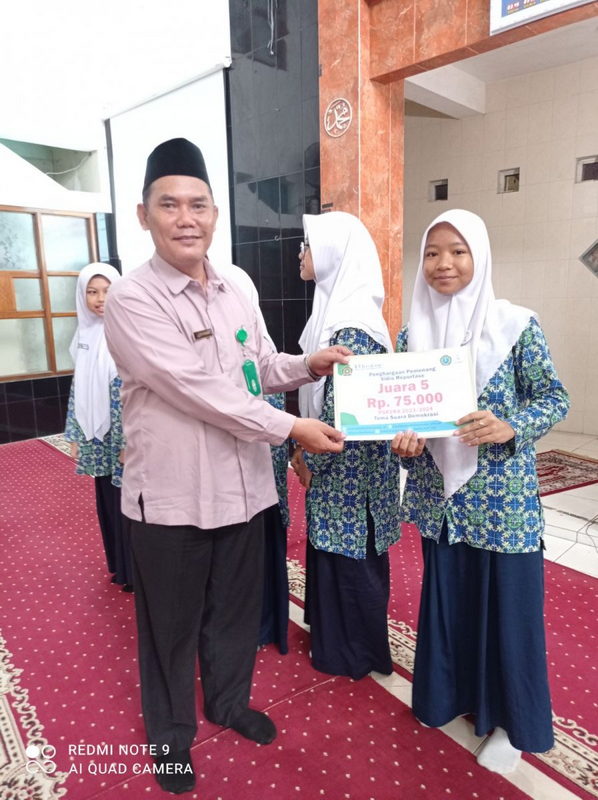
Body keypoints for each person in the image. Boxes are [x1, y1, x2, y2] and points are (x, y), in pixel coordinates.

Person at [103, 138, 350, 795]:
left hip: (243, 491)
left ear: (216, 213)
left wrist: (308, 365)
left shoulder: (236, 286)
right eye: (170, 205)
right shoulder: (132, 299)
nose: (186, 218)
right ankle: (170, 742)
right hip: (172, 501)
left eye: (199, 205)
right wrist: (292, 427)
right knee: (170, 631)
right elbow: (199, 391)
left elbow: (257, 367)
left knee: (235, 615)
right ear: (144, 215)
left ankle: (229, 702)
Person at [391, 209, 569, 774]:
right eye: (432, 253)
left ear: (480, 256)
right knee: (452, 601)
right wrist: (404, 441)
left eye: (458, 251)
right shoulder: (412, 334)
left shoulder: (516, 325)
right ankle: (448, 696)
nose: (443, 264)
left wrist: (510, 425)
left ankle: (512, 726)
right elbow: (402, 413)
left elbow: (554, 398)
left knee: (509, 614)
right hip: (441, 500)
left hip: (501, 501)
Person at [291, 211, 401, 680]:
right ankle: (340, 642)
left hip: (349, 472)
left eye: (307, 245)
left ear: (334, 253)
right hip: (344, 469)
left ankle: (352, 652)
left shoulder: (350, 328)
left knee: (352, 556)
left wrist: (306, 456)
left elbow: (343, 417)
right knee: (342, 553)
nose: (300, 254)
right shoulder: (336, 316)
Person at [220, 262, 290, 654]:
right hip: (224, 493)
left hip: (264, 489)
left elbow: (271, 373)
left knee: (264, 545)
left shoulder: (260, 350)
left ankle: (266, 623)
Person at [64, 262, 132, 591]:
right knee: (106, 498)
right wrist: (76, 434)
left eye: (107, 291)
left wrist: (128, 441)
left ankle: (135, 572)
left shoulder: (128, 331)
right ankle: (119, 565)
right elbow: (78, 389)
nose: (100, 298)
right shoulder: (84, 335)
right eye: (92, 292)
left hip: (122, 433)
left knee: (128, 500)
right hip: (96, 436)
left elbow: (134, 392)